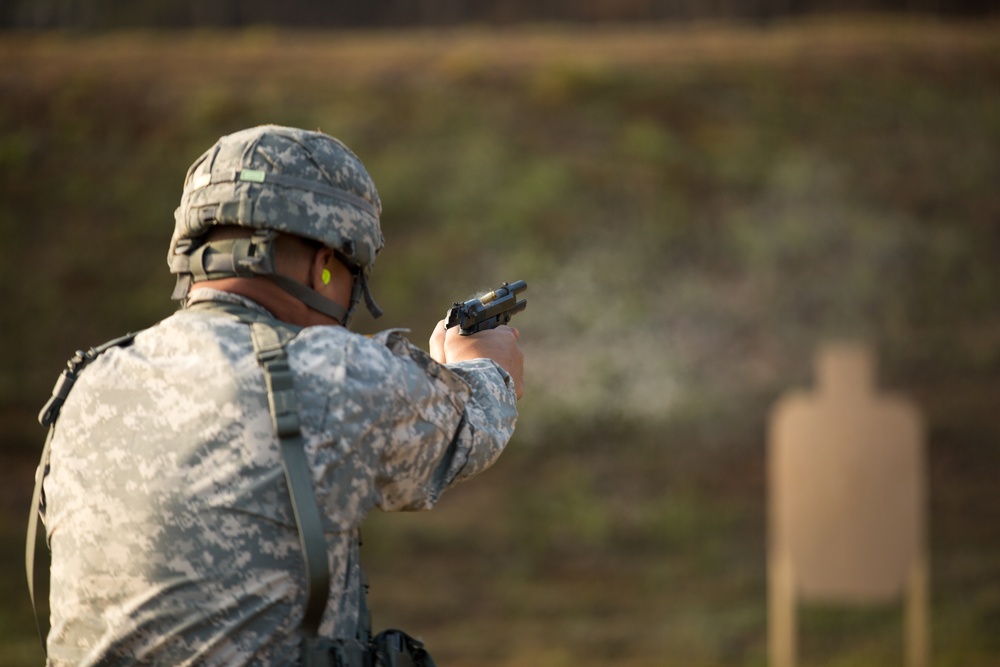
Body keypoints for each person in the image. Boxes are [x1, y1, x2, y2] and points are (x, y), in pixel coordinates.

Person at [34, 125, 523, 666]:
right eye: (351, 273)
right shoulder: (330, 372)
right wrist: (483, 362)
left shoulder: (92, 379)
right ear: (324, 264)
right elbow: (475, 425)